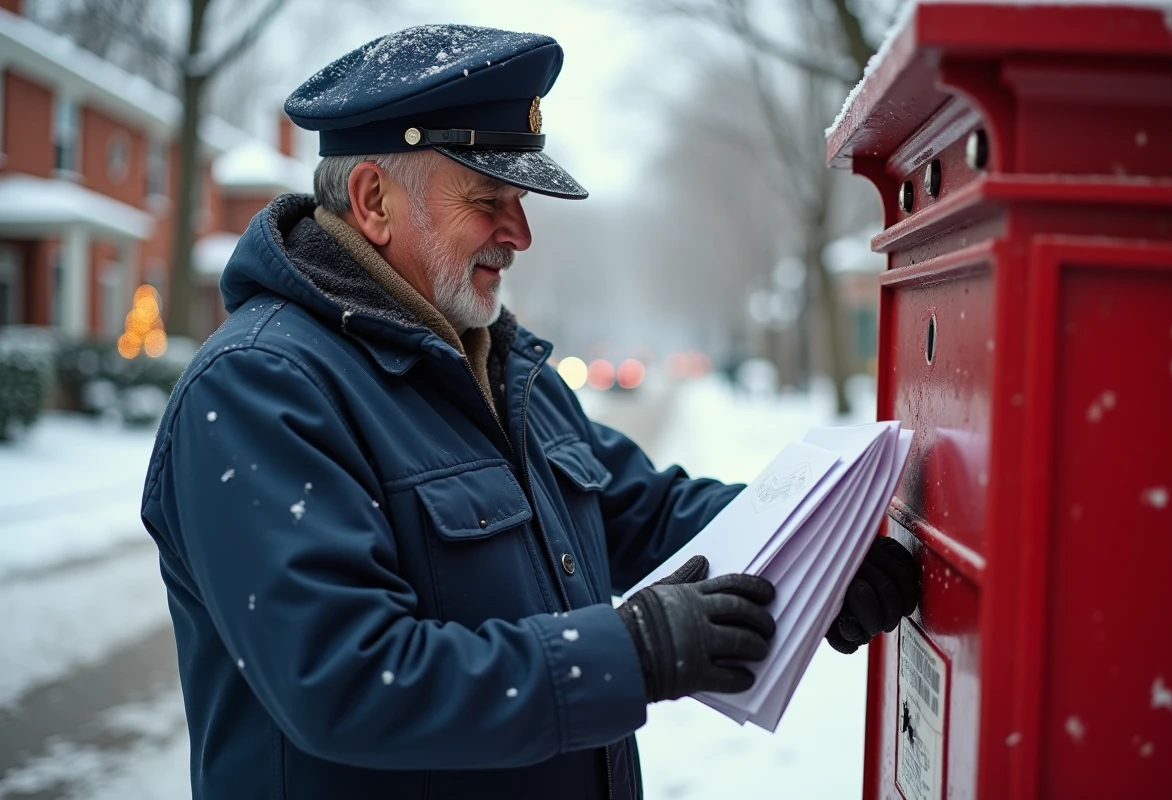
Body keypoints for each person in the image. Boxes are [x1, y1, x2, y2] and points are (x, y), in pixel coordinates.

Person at [140, 24, 920, 800]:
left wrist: (818, 553)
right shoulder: (261, 388)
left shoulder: (500, 365)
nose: (521, 234)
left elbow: (638, 510)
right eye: (490, 201)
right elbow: (345, 677)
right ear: (373, 200)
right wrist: (632, 651)